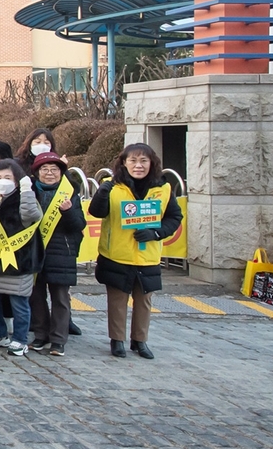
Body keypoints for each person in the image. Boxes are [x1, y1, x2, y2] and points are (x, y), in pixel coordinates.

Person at [89, 143, 182, 360]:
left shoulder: (163, 188)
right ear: (123, 163)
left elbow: (174, 218)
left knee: (144, 301)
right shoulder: (111, 186)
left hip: (147, 255)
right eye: (133, 161)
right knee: (117, 300)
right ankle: (117, 340)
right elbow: (97, 212)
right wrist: (102, 193)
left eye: (143, 161)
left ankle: (140, 340)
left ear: (152, 163)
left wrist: (156, 233)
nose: (138, 166)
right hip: (116, 253)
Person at [0, 159, 42, 357]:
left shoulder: (24, 197)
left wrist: (26, 189)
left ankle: (20, 339)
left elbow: (32, 216)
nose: (3, 181)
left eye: (8, 177)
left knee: (19, 302)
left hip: (19, 259)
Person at [28, 152, 85, 357]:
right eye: (44, 169)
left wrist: (68, 212)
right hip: (34, 250)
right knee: (36, 295)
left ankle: (58, 340)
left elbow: (79, 225)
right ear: (36, 173)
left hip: (61, 252)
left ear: (61, 173)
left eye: (54, 170)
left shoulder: (70, 194)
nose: (49, 173)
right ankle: (41, 334)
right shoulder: (29, 192)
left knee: (60, 297)